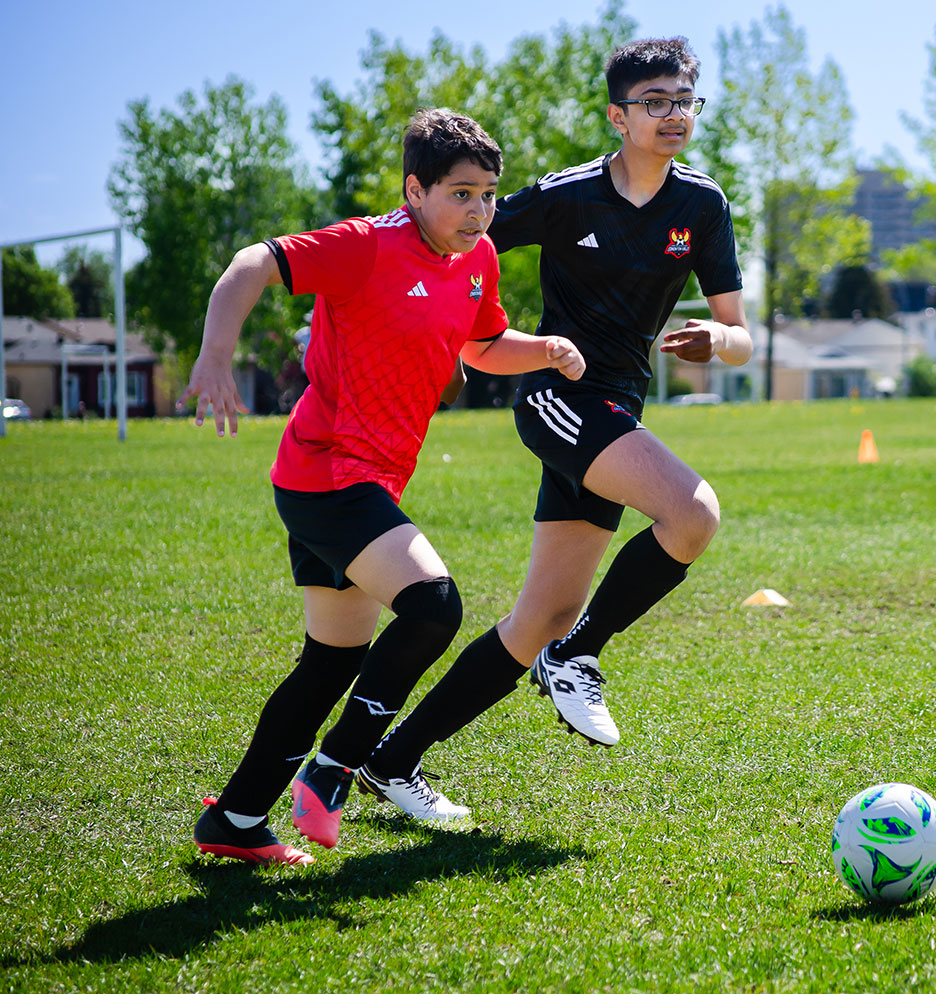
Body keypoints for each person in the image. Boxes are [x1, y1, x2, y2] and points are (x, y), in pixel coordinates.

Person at [357, 36, 751, 819]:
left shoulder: (703, 206)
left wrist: (719, 340)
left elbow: (742, 335)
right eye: (655, 102)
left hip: (619, 410)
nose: (674, 115)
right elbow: (452, 236)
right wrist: (439, 329)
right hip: (557, 396)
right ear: (618, 116)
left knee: (541, 617)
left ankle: (392, 760)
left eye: (684, 101)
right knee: (693, 513)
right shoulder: (567, 196)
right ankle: (576, 657)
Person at [182, 109, 585, 865]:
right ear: (414, 190)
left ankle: (234, 820)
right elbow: (251, 263)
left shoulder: (479, 258)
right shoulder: (366, 245)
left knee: (332, 661)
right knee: (434, 606)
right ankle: (336, 768)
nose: (479, 210)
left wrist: (545, 350)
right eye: (460, 193)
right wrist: (215, 354)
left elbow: (483, 344)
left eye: (488, 194)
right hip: (327, 472)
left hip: (366, 481)